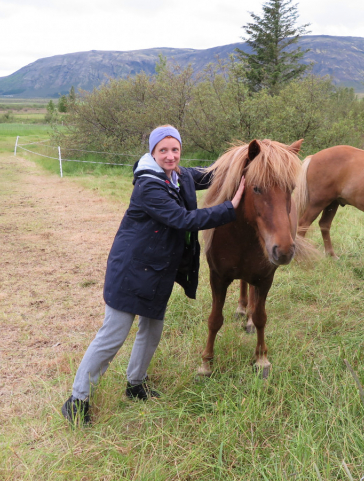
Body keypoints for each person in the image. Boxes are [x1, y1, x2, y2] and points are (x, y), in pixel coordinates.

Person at [61, 125, 245, 424]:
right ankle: (77, 399)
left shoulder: (180, 175)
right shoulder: (148, 185)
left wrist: (248, 162)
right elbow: (182, 219)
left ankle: (135, 385)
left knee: (152, 330)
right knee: (112, 336)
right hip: (131, 270)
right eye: (163, 150)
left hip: (157, 270)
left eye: (175, 149)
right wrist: (230, 207)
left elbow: (213, 173)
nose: (170, 156)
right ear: (152, 152)